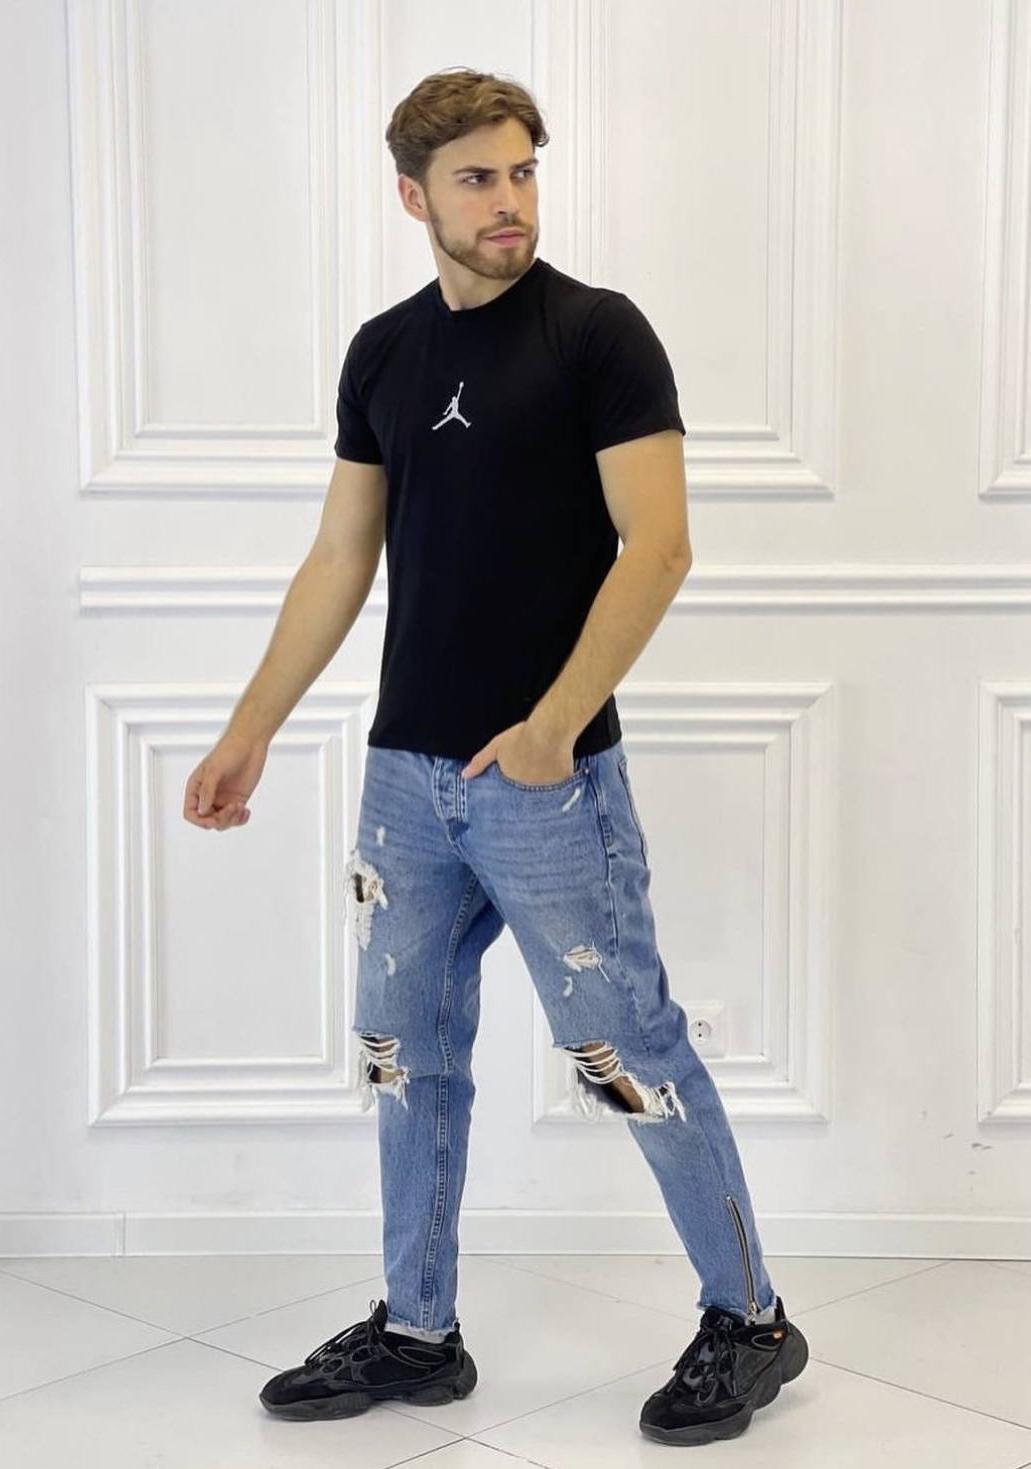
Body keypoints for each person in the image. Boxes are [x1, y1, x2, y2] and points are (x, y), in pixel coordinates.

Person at [183, 66, 807, 1448]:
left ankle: (751, 1320)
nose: (509, 200)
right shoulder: (384, 353)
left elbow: (660, 547)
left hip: (547, 785)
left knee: (629, 1048)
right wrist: (249, 728)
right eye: (477, 179)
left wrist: (551, 727)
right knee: (406, 1056)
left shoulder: (597, 335)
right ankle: (418, 1331)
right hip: (405, 786)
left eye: (523, 171)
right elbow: (340, 557)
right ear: (415, 197)